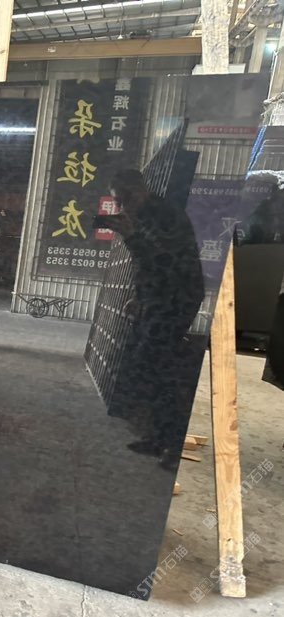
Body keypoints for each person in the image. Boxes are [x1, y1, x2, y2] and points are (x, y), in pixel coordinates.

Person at [99, 169, 205, 470]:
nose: (123, 206)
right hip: (159, 298)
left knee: (162, 370)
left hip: (177, 300)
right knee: (149, 367)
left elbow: (163, 262)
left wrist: (131, 236)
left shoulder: (165, 216)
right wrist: (141, 297)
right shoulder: (144, 216)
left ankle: (173, 443)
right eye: (118, 201)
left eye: (126, 198)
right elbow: (146, 267)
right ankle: (158, 437)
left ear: (141, 190)